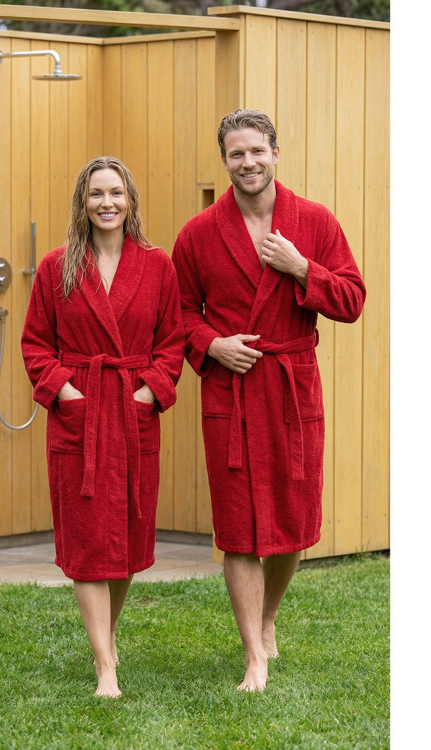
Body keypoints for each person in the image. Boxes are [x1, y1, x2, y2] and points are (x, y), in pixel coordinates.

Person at [171, 109, 366, 692]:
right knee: (237, 526)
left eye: (257, 151)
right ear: (224, 160)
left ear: (275, 153)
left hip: (291, 386)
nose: (248, 162)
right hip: (230, 392)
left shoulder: (315, 221)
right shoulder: (198, 234)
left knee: (292, 518)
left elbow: (352, 299)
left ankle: (268, 617)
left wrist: (302, 268)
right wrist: (213, 344)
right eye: (237, 153)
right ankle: (253, 654)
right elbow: (177, 313)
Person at [21, 156, 184, 698]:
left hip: (133, 416)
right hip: (83, 420)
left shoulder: (157, 266)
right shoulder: (57, 267)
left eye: (116, 193)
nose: (106, 203)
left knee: (129, 538)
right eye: (96, 194)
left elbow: (172, 344)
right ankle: (105, 666)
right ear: (82, 202)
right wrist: (67, 394)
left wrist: (147, 393)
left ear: (130, 199)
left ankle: (106, 638)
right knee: (90, 542)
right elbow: (35, 344)